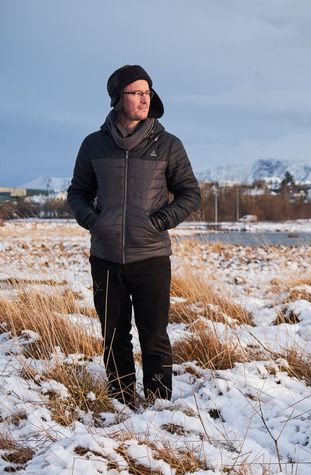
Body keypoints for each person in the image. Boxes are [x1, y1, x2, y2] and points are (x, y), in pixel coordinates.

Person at [67, 65, 200, 407]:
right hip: (105, 256)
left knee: (154, 336)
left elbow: (190, 193)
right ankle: (121, 401)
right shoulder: (94, 145)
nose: (145, 98)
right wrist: (95, 222)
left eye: (148, 92)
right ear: (117, 98)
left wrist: (158, 222)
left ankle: (159, 406)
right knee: (113, 336)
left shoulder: (168, 145)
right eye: (137, 92)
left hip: (151, 257)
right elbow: (78, 192)